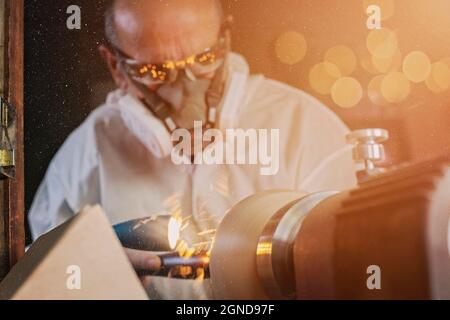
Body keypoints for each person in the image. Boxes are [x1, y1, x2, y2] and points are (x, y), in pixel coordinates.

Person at [28, 0, 357, 299]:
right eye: (155, 71)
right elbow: (40, 282)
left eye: (203, 60)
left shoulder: (307, 129)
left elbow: (353, 267)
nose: (185, 94)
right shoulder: (82, 160)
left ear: (224, 39)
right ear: (116, 66)